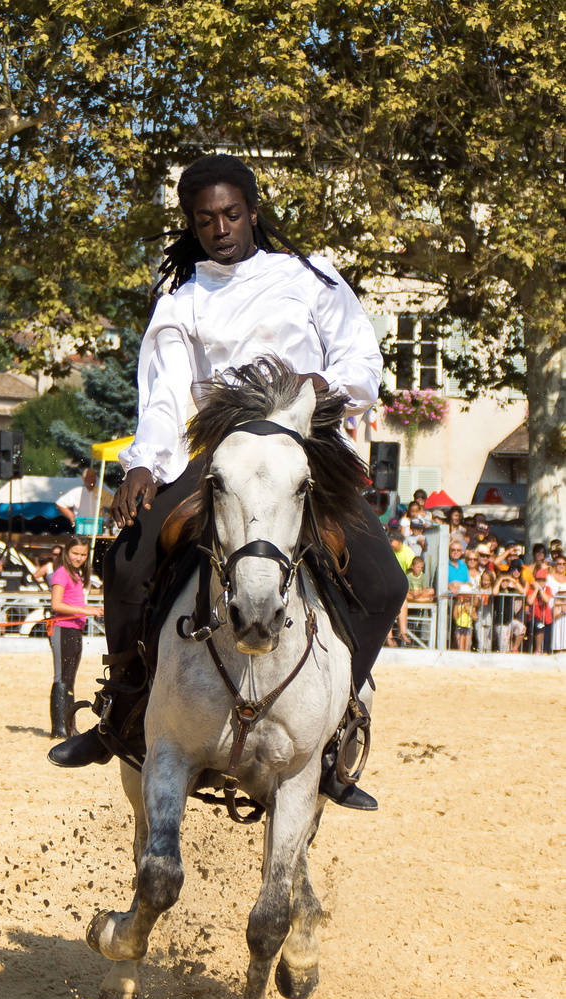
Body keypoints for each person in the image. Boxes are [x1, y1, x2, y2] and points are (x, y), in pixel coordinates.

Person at [48, 153, 408, 811]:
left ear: (252, 212)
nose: (220, 228)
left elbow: (359, 355)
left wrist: (322, 386)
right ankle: (119, 711)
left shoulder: (309, 277)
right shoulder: (180, 300)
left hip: (306, 448)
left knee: (386, 581)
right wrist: (142, 468)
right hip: (218, 455)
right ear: (191, 222)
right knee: (127, 564)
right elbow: (162, 398)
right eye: (205, 218)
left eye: (231, 214)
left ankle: (334, 722)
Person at [48, 537, 104, 739]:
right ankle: (59, 728)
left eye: (82, 554)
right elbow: (56, 605)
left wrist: (92, 609)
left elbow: (74, 603)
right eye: (75, 553)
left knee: (69, 678)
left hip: (74, 629)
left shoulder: (76, 574)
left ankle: (68, 726)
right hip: (63, 629)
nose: (79, 558)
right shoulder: (62, 573)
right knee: (62, 678)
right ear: (67, 552)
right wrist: (84, 610)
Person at [492, 559, 528, 653]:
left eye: (506, 581)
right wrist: (500, 579)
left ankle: (514, 648)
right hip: (500, 622)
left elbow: (522, 592)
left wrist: (513, 581)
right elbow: (494, 592)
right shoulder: (498, 590)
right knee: (504, 646)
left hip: (509, 620)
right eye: (503, 581)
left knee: (522, 628)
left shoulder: (510, 590)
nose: (505, 583)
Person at [524, 568, 553, 654]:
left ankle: (544, 653)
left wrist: (540, 589)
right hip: (535, 617)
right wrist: (536, 590)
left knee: (546, 644)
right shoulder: (531, 589)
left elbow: (546, 599)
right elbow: (529, 601)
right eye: (538, 580)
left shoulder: (547, 589)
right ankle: (537, 650)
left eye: (542, 581)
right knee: (540, 628)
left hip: (547, 619)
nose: (541, 583)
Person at [546, 552, 566, 652]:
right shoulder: (549, 577)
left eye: (564, 564)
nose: (561, 566)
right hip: (553, 611)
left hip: (565, 612)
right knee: (556, 640)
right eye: (559, 564)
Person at [475, 569, 495, 653]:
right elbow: (475, 604)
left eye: (488, 580)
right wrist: (481, 599)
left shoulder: (492, 590)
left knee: (488, 642)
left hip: (489, 618)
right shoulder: (478, 590)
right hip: (480, 618)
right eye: (484, 580)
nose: (485, 582)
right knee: (481, 642)